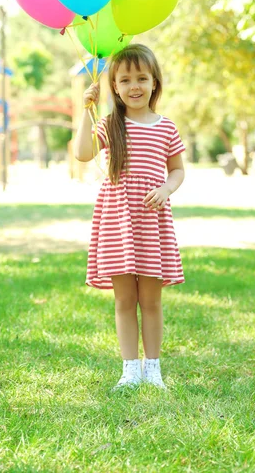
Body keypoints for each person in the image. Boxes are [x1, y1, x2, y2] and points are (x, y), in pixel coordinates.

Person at [74, 44, 186, 391]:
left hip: (151, 220)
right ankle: (130, 369)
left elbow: (178, 171)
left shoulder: (166, 127)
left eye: (141, 78)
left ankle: (153, 368)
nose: (134, 86)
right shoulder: (110, 124)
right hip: (117, 220)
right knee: (124, 300)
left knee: (150, 300)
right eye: (125, 80)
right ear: (115, 87)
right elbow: (82, 153)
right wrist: (86, 111)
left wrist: (167, 189)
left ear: (155, 82)